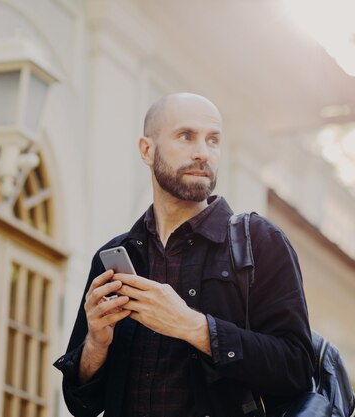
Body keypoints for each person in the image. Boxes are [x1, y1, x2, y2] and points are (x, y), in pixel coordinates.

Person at [54, 93, 314, 417]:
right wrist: (96, 343)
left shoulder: (260, 242)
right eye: (186, 136)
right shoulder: (111, 258)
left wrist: (193, 326)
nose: (202, 153)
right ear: (147, 150)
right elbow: (81, 403)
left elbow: (298, 369)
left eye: (213, 140)